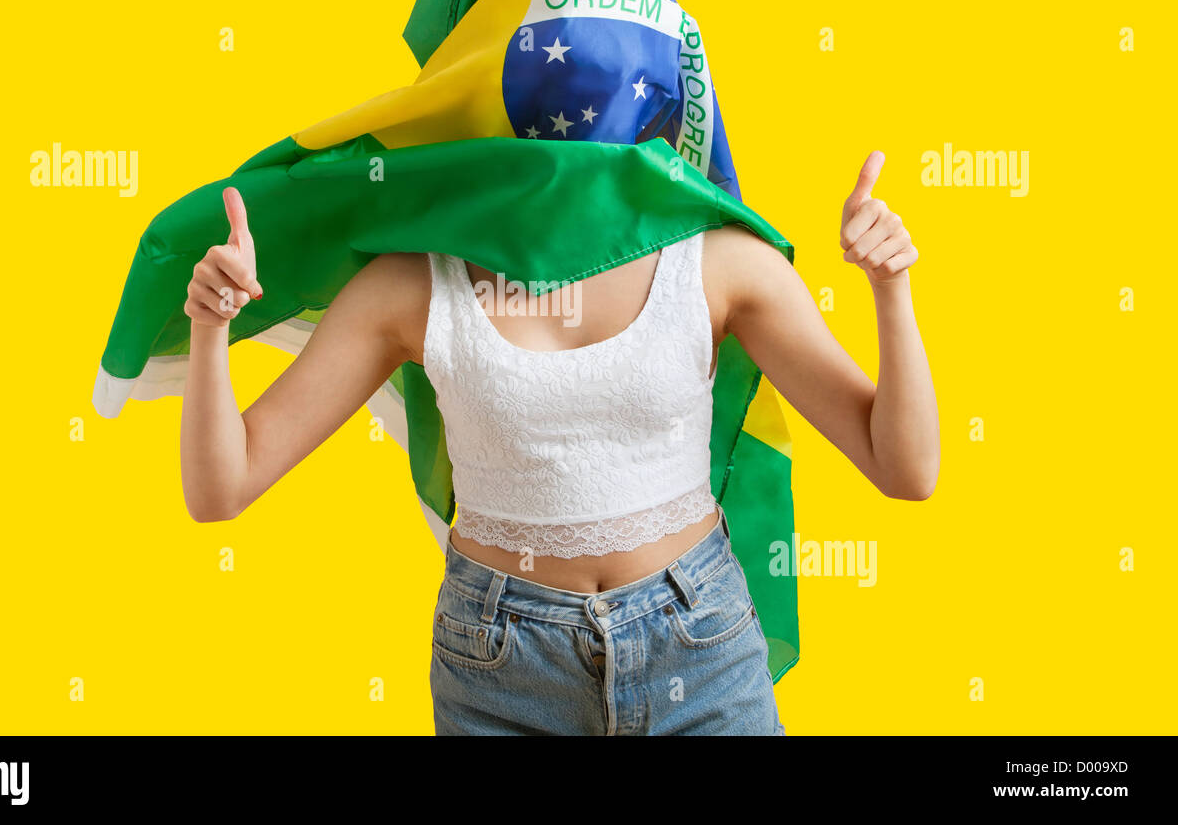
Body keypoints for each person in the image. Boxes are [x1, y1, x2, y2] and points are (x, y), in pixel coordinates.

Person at [176, 148, 939, 736]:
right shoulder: (409, 285)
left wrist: (889, 286)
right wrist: (210, 329)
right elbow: (223, 487)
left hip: (699, 648)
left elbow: (905, 467)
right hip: (501, 667)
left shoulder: (720, 262)